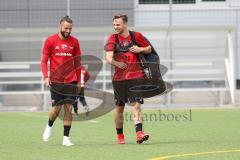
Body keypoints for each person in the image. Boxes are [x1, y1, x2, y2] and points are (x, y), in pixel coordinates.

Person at [105, 14, 152, 144]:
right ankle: (120, 136)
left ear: (125, 24)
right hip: (119, 79)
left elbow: (149, 49)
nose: (115, 27)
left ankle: (139, 134)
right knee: (119, 109)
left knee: (136, 105)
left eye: (118, 24)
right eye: (114, 24)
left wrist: (140, 49)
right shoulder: (112, 38)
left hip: (136, 77)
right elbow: (108, 58)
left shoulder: (136, 36)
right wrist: (117, 63)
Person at [41, 15, 82, 146]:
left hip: (71, 80)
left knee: (68, 108)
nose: (68, 31)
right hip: (56, 80)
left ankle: (66, 139)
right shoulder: (50, 41)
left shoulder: (75, 42)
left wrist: (80, 80)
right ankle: (49, 125)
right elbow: (43, 61)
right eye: (66, 28)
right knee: (56, 109)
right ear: (60, 26)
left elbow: (78, 63)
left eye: (70, 28)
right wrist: (46, 77)